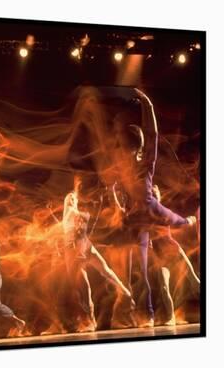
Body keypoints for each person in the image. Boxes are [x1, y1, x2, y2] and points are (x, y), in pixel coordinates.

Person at [112, 90, 197, 327]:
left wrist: (147, 105)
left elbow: (152, 135)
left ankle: (190, 221)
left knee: (179, 221)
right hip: (140, 216)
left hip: (147, 210)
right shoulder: (128, 164)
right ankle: (146, 314)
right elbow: (149, 136)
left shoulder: (142, 162)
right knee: (142, 267)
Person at [62, 191, 134, 333]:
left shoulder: (75, 212)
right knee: (85, 288)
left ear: (76, 201)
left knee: (104, 270)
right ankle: (90, 320)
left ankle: (123, 290)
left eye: (73, 198)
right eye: (68, 198)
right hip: (76, 250)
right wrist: (92, 208)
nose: (71, 199)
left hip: (85, 245)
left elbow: (86, 222)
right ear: (66, 202)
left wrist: (94, 207)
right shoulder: (70, 212)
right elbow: (82, 218)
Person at [150, 185, 200, 326]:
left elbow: (178, 221)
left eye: (156, 193)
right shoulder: (148, 215)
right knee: (164, 287)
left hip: (175, 251)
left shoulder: (164, 212)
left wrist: (189, 221)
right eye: (152, 194)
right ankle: (171, 317)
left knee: (195, 282)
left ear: (159, 196)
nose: (154, 196)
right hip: (161, 258)